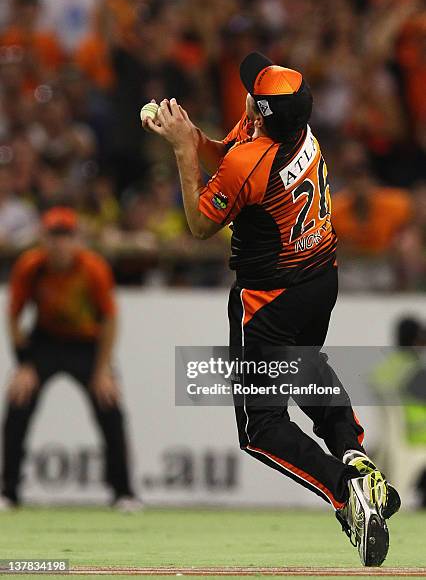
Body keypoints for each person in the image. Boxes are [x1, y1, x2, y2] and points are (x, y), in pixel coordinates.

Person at [142, 51, 401, 566]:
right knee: (304, 365)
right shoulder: (299, 133)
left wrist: (179, 151)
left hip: (269, 298)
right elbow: (233, 162)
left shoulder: (252, 156)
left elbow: (199, 224)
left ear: (261, 113)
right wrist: (193, 135)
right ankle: (354, 452)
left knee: (261, 428)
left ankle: (346, 488)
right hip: (319, 280)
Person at [0, 206, 141, 511]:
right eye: (53, 236)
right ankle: (9, 491)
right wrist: (24, 363)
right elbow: (13, 317)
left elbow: (109, 321)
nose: (59, 244)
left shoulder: (92, 268)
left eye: (65, 237)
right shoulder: (30, 266)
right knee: (18, 403)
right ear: (43, 239)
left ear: (76, 239)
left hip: (86, 344)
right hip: (45, 342)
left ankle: (124, 492)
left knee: (109, 406)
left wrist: (103, 370)